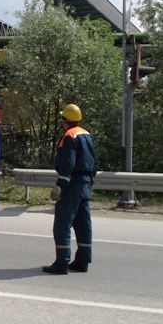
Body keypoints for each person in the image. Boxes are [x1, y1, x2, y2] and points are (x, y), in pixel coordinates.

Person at [43, 103, 98, 275]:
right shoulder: (86, 134)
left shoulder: (69, 136)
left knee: (62, 223)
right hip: (86, 184)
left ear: (65, 120)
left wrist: (60, 186)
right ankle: (83, 261)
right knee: (83, 224)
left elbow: (68, 164)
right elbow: (94, 162)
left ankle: (61, 262)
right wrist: (90, 182)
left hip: (72, 184)